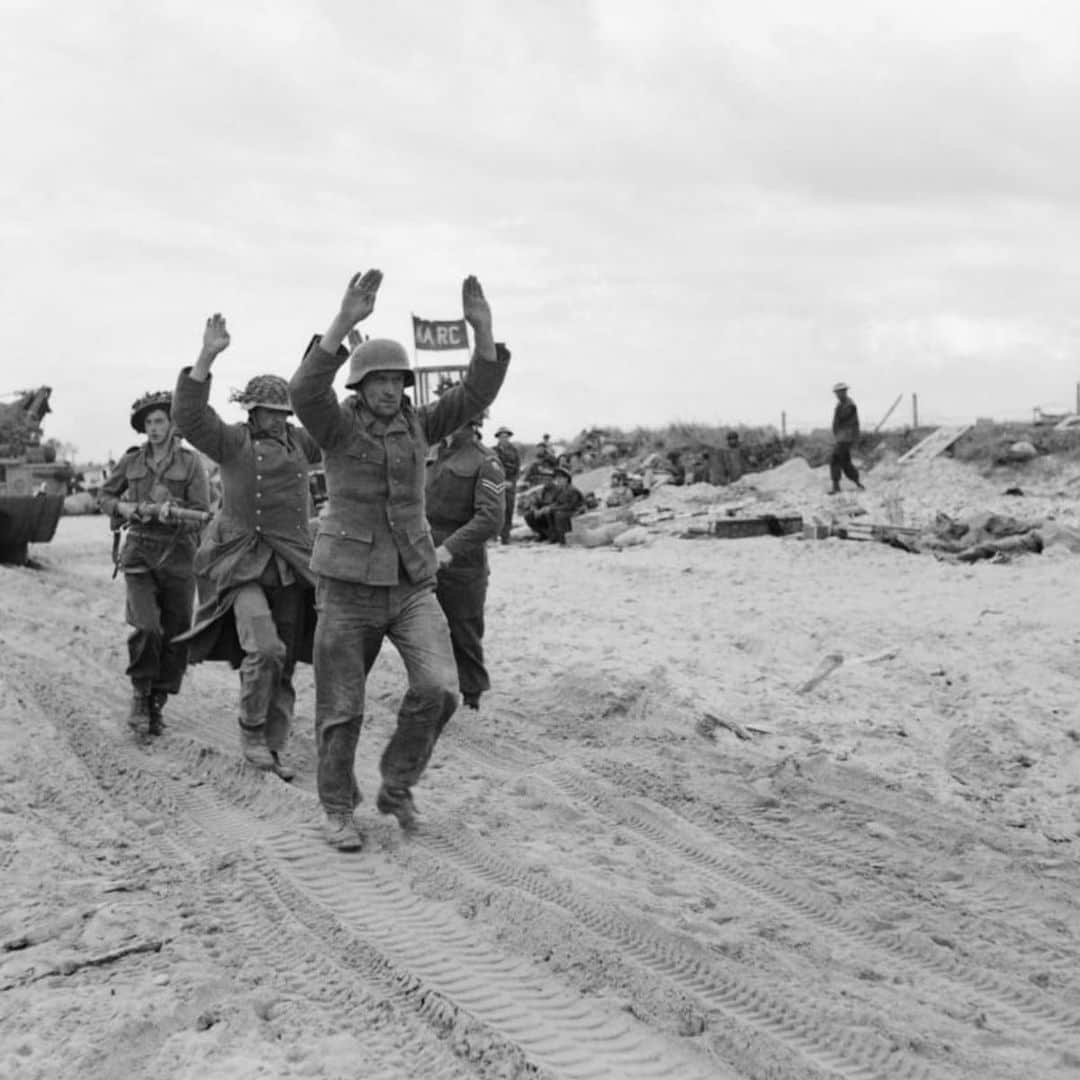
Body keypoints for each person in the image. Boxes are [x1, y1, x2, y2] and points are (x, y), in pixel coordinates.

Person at [289, 269, 509, 851]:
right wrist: (344, 321)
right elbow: (304, 392)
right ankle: (337, 809)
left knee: (441, 688)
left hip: (411, 583)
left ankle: (396, 785)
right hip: (345, 587)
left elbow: (476, 394)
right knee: (341, 708)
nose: (390, 389)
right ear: (359, 384)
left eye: (397, 381)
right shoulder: (334, 426)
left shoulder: (420, 424)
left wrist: (482, 330)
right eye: (379, 380)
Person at [171, 314, 322, 779]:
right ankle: (252, 733)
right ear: (252, 411)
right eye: (268, 411)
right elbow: (190, 416)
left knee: (288, 660)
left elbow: (330, 421)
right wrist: (207, 356)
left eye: (283, 412)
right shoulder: (233, 442)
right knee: (267, 649)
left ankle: (272, 746)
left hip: (294, 564)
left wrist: (335, 357)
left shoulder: (301, 442)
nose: (277, 419)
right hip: (241, 564)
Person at [98, 391, 210, 736]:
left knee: (176, 635)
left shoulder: (191, 463)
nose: (154, 428)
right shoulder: (131, 461)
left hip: (178, 554)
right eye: (148, 422)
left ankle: (158, 701)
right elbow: (105, 495)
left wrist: (173, 512)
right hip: (139, 552)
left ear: (172, 424)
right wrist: (124, 509)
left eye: (160, 420)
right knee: (147, 627)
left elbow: (203, 513)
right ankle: (141, 694)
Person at [425, 416, 505, 711]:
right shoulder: (432, 454)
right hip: (423, 554)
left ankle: (471, 697)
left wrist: (448, 550)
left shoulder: (486, 461)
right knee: (424, 629)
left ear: (470, 422)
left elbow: (490, 519)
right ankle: (434, 693)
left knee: (464, 630)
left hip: (462, 562)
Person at [524, 466, 585, 544]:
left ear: (566, 479)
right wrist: (548, 507)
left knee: (558, 514)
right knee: (545, 513)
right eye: (557, 479)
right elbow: (557, 502)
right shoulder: (562, 489)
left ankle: (562, 538)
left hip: (575, 511)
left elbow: (570, 506)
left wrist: (551, 508)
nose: (558, 481)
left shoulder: (571, 490)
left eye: (560, 479)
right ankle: (551, 536)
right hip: (565, 510)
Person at [830, 381, 864, 493]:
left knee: (835, 459)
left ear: (844, 392)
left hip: (846, 437)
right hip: (842, 437)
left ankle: (836, 486)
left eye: (840, 392)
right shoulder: (842, 404)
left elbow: (843, 421)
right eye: (837, 393)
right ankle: (857, 483)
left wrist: (840, 436)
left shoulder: (849, 405)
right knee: (845, 461)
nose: (838, 395)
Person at [491, 424, 520, 542]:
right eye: (501, 436)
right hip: (496, 484)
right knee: (495, 509)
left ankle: (505, 536)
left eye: (506, 436)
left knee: (508, 509)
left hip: (509, 484)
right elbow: (490, 468)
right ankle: (493, 536)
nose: (504, 439)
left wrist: (511, 482)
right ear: (498, 438)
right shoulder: (492, 451)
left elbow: (517, 469)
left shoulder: (514, 451)